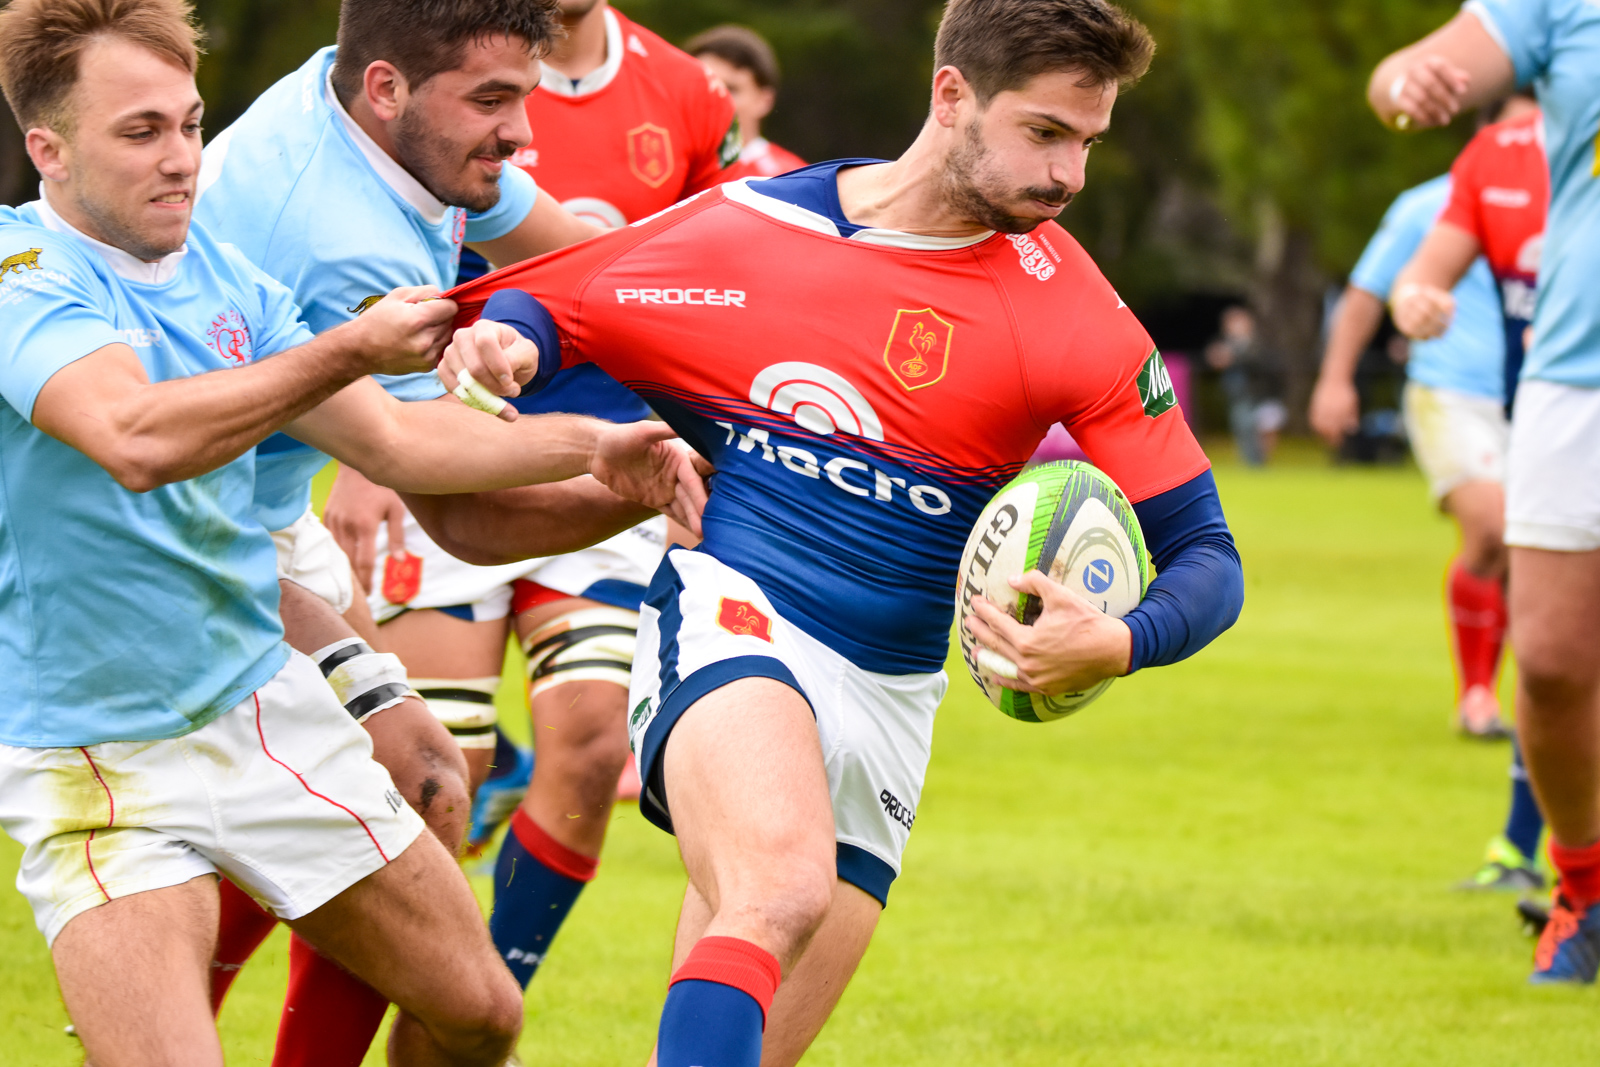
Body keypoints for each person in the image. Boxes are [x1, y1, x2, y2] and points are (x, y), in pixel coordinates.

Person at [426, 1, 1245, 1061]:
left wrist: (1118, 639)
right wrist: (509, 344)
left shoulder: (1073, 314)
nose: (1068, 176)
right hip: (736, 613)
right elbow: (559, 299)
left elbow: (1207, 555)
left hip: (895, 694)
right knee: (778, 886)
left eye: (1087, 142)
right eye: (1045, 132)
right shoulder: (755, 229)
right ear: (951, 95)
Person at [0, 0, 678, 1058]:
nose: (182, 159)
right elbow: (133, 435)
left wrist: (609, 450)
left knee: (481, 1006)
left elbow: (405, 446)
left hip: (253, 692)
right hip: (103, 761)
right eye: (141, 132)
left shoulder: (228, 275)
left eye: (190, 123)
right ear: (48, 149)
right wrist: (350, 347)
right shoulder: (22, 275)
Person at [191, 0, 702, 1060]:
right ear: (388, 88)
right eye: (494, 101)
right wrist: (629, 467)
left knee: (409, 791)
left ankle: (172, 1001)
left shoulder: (385, 115)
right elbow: (461, 509)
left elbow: (589, 267)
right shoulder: (332, 235)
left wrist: (731, 344)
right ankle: (162, 1005)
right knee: (403, 795)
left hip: (260, 513)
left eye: (524, 94)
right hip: (179, 542)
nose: (523, 132)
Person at [322, 0, 743, 1002]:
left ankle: (478, 1013)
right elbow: (372, 263)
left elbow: (720, 281)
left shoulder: (689, 92)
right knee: (429, 776)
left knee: (593, 749)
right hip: (448, 444)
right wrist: (371, 449)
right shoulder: (451, 60)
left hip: (607, 458)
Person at [1369, 0, 1600, 983]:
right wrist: (1405, 83)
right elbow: (1408, 76)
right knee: (1549, 662)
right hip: (1572, 377)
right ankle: (1581, 889)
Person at [1311, 161, 1546, 892]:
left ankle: (1530, 801)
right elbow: (1368, 290)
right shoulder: (1429, 204)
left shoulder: (1570, 188)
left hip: (1541, 400)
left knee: (1540, 562)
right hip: (1450, 392)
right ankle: (1478, 693)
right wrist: (1336, 378)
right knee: (1494, 532)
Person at [687, 24, 807, 179]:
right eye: (703, 87)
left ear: (764, 101)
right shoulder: (665, 167)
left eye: (730, 89)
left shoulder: (791, 179)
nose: (713, 99)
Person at [1205, 305, 1286, 466]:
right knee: (1242, 428)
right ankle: (1249, 463)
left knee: (1259, 429)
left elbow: (1259, 362)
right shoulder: (1224, 344)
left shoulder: (1258, 343)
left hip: (1260, 395)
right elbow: (1212, 359)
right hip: (1237, 396)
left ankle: (1258, 462)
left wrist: (1233, 357)